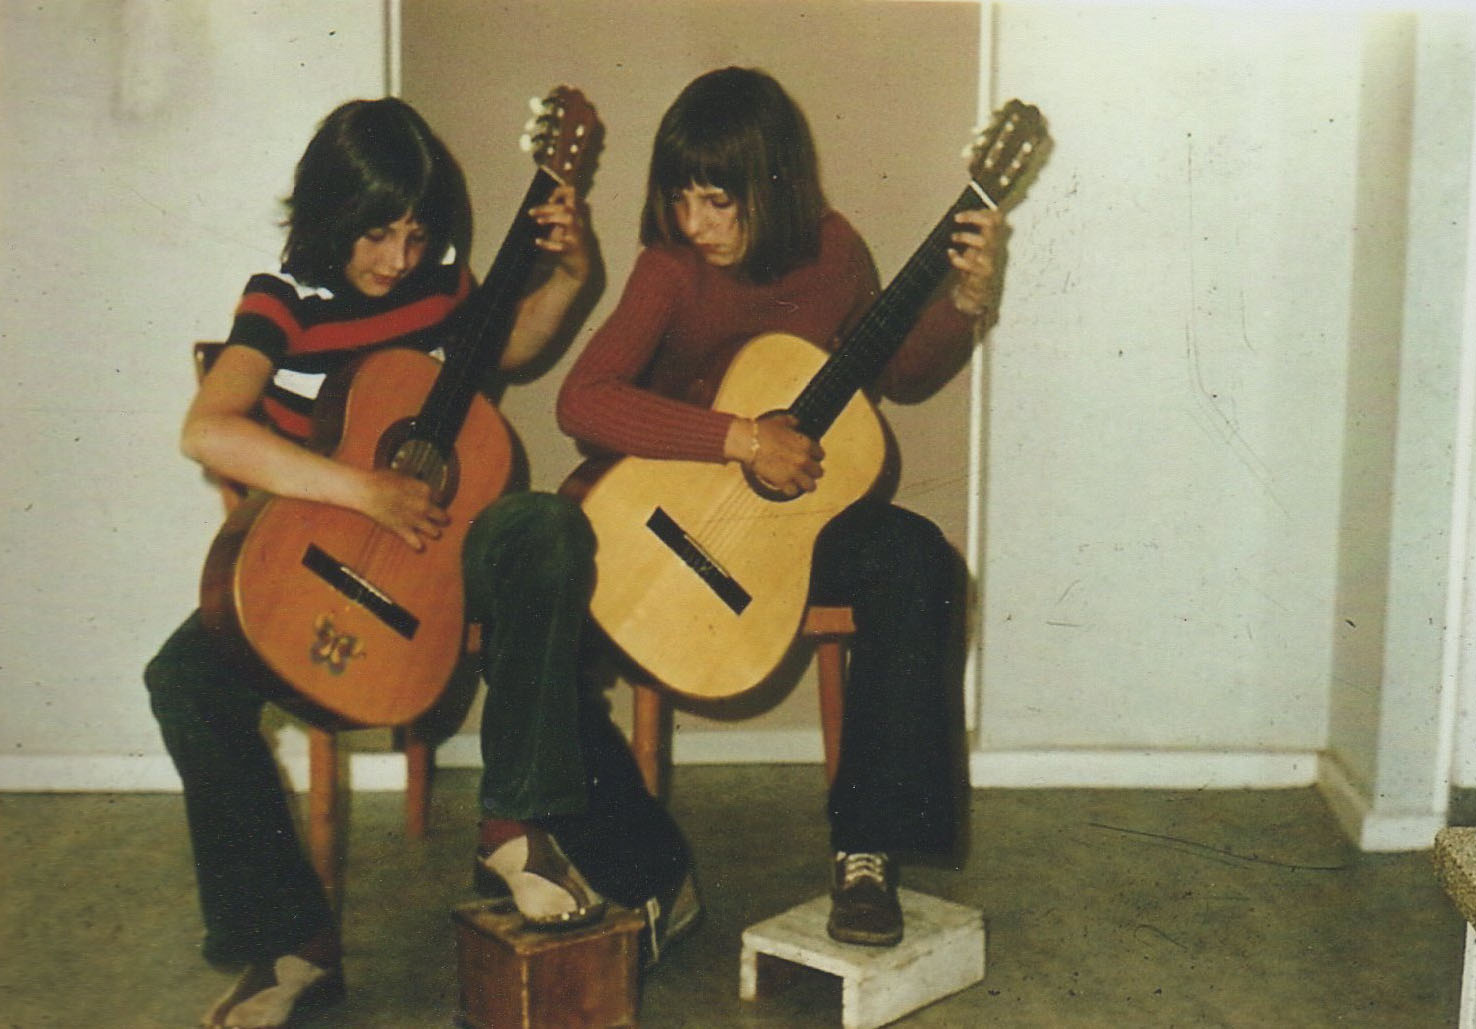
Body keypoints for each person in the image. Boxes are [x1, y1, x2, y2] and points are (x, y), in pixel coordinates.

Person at [465, 65, 1004, 953]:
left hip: (785, 534)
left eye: (719, 202)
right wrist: (742, 439)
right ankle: (637, 860)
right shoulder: (669, 269)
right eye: (681, 199)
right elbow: (583, 402)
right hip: (656, 525)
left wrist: (967, 304)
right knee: (534, 632)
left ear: (774, 187)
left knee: (918, 560)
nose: (696, 225)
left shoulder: (835, 252)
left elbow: (900, 372)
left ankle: (866, 847)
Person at [144, 96, 591, 1029]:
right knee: (183, 677)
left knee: (547, 527)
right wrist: (361, 491)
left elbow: (502, 348)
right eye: (376, 233)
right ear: (330, 215)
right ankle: (291, 945)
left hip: (434, 559)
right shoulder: (282, 299)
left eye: (416, 234)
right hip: (327, 554)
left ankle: (515, 826)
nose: (396, 259)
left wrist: (567, 280)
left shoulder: (439, 282)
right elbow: (208, 428)